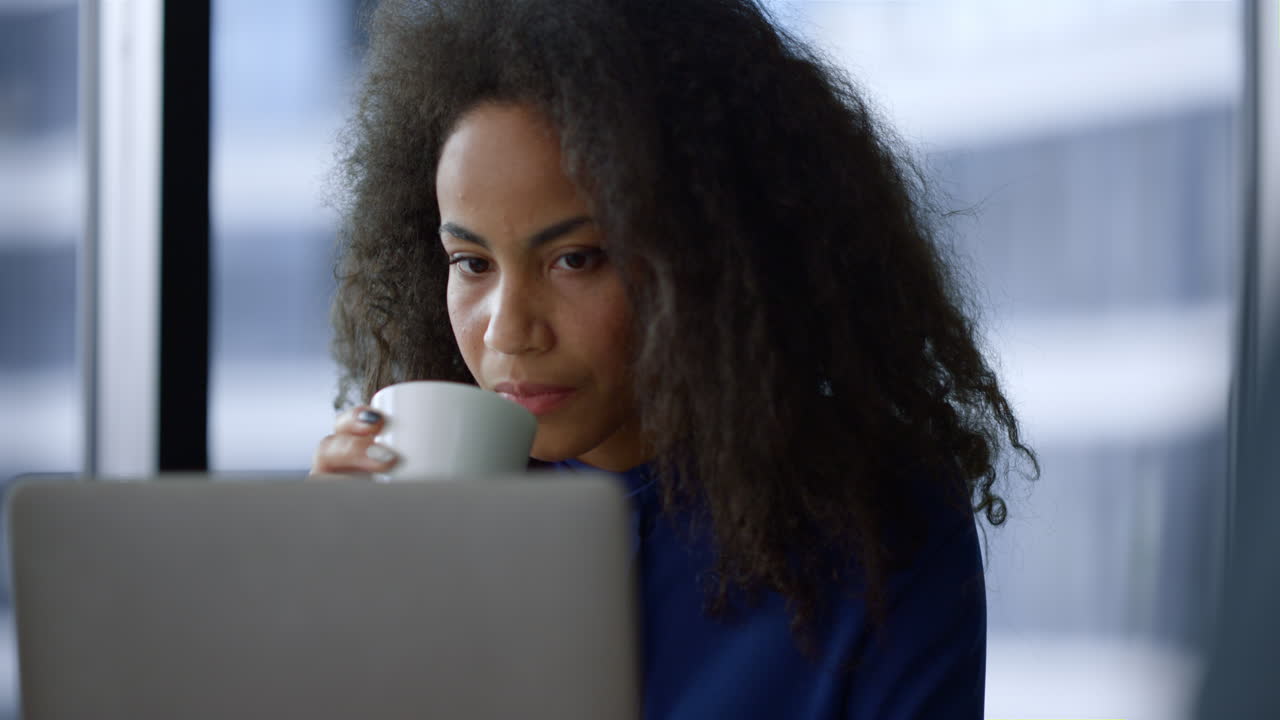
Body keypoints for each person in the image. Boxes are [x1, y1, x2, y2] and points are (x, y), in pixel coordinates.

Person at [311, 0, 1038, 717]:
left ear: (714, 257)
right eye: (470, 263)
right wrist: (323, 619)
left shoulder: (880, 525)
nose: (507, 331)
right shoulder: (420, 507)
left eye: (575, 258)